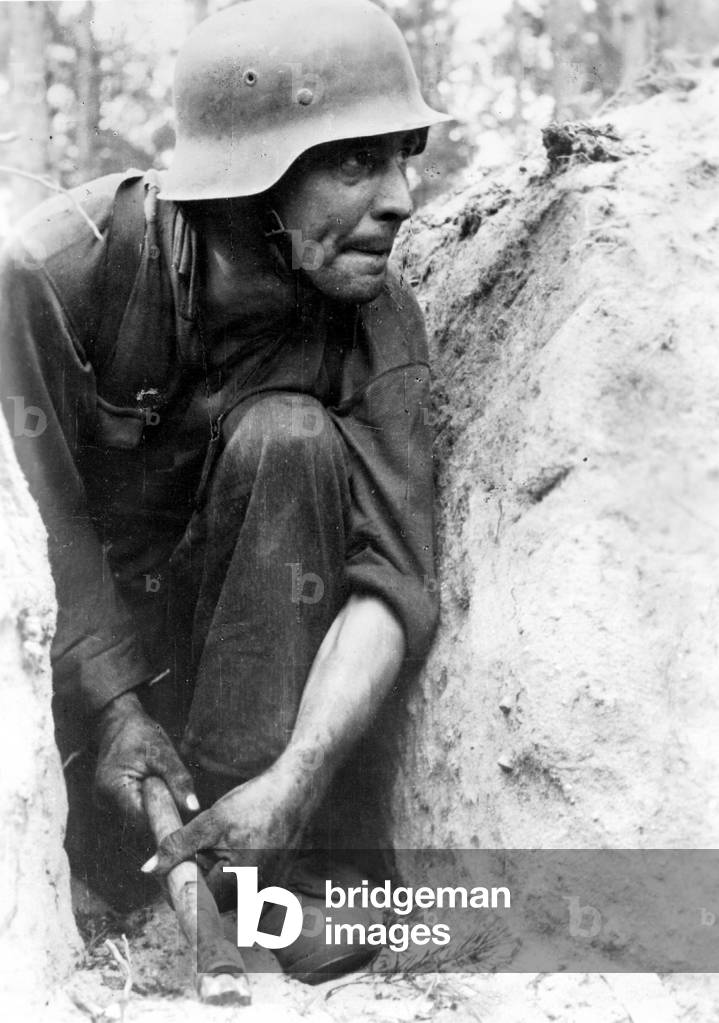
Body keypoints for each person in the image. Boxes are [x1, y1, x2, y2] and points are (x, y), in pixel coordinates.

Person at [0, 0, 447, 980]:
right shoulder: (55, 274)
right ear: (253, 183)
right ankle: (113, 880)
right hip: (82, 694)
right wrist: (116, 707)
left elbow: (391, 587)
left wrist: (292, 783)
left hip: (251, 699)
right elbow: (38, 522)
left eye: (401, 157)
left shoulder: (373, 325)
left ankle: (265, 879)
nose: (400, 198)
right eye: (353, 162)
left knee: (288, 438)